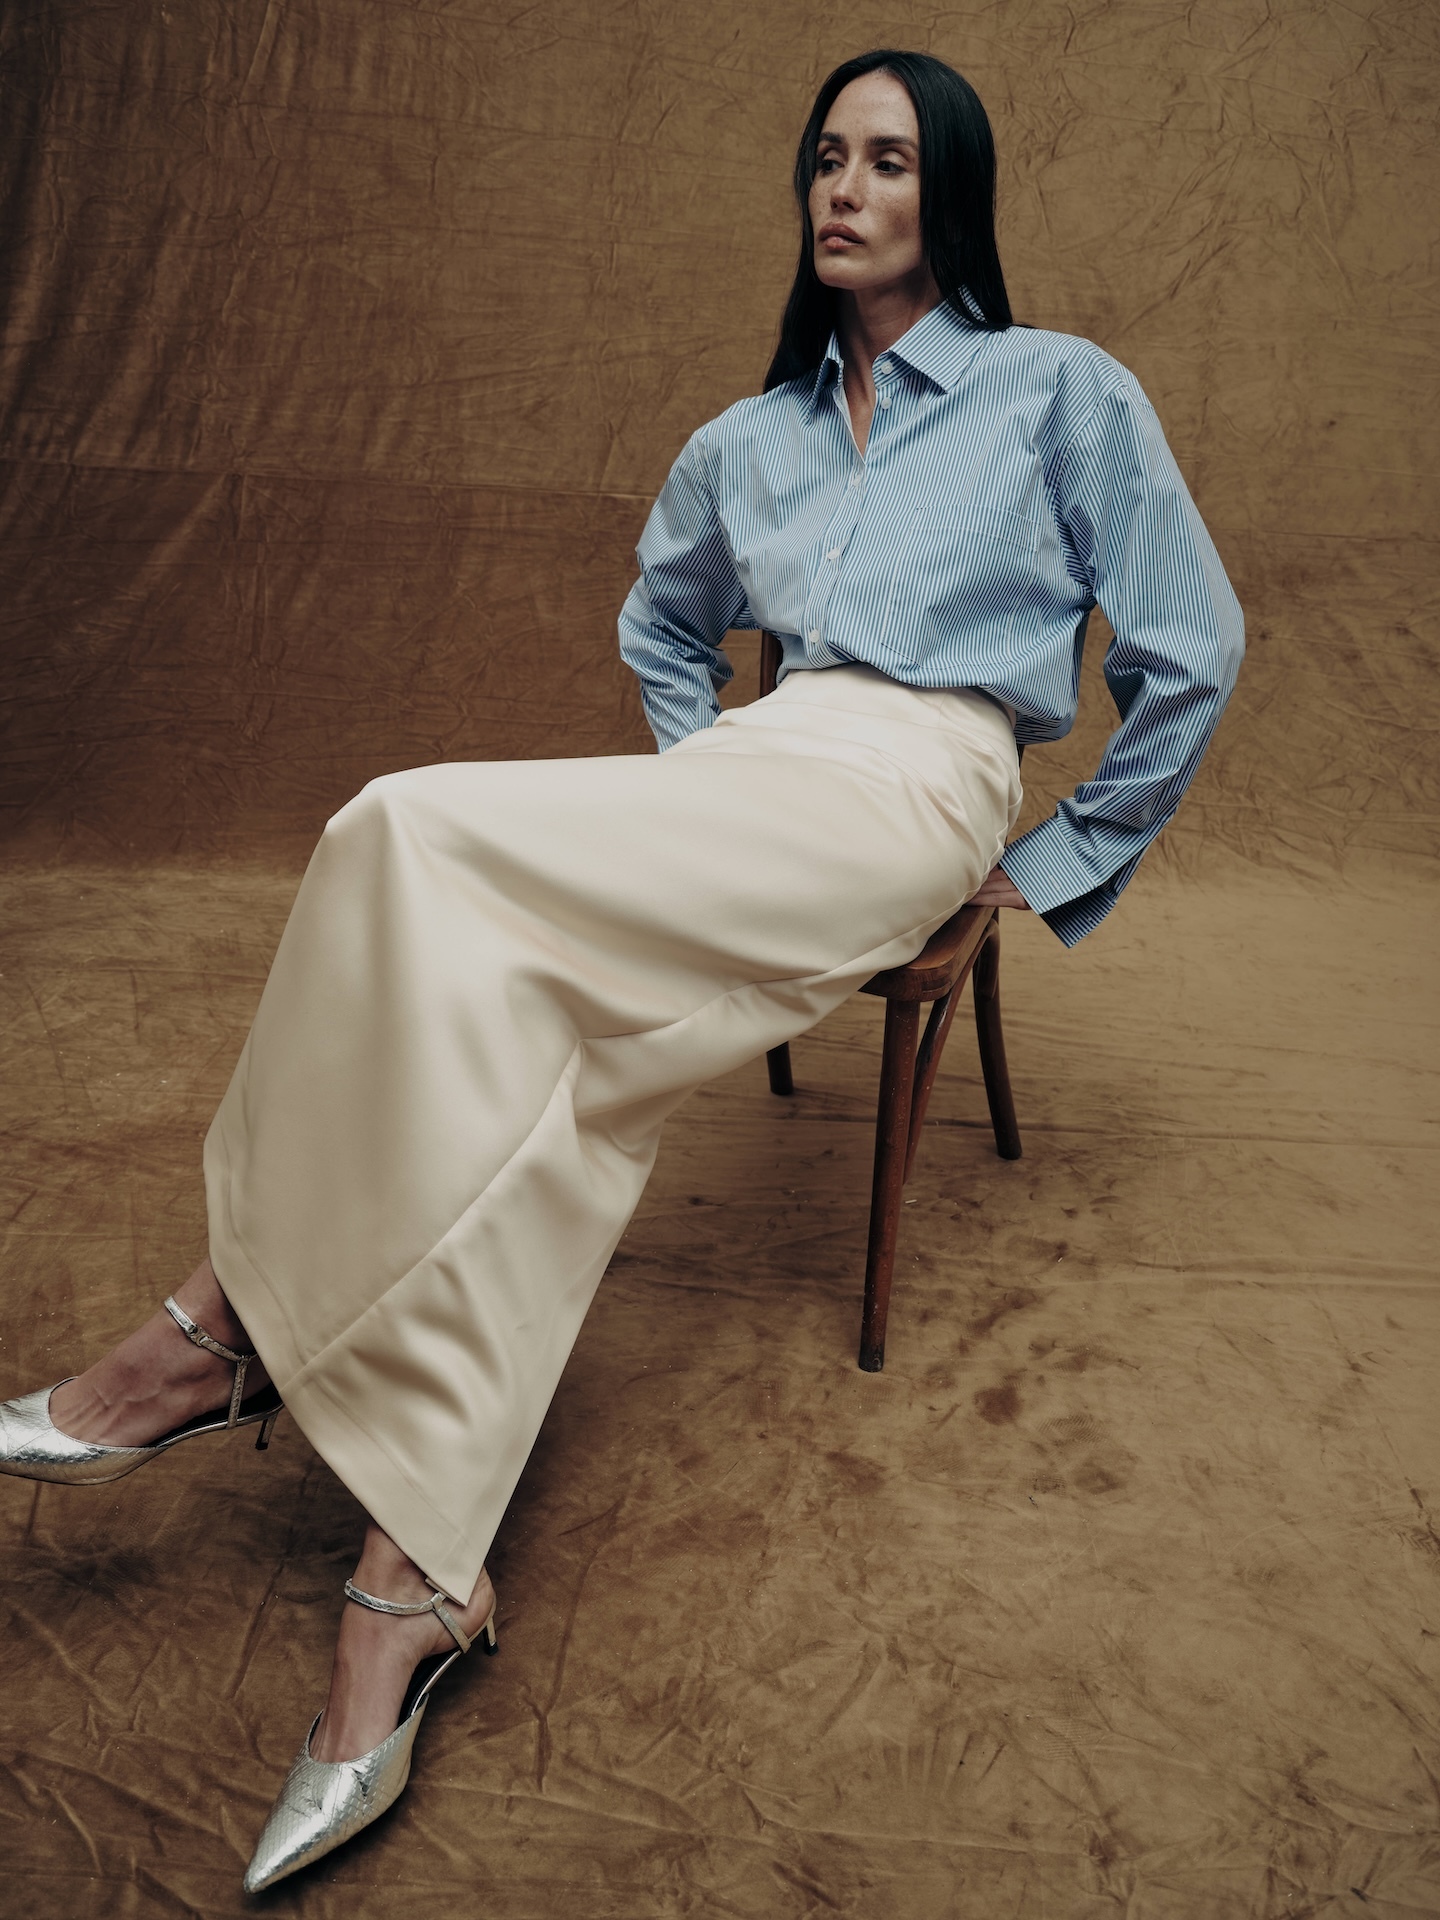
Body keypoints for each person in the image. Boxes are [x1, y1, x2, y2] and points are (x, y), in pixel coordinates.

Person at [0, 48, 1242, 1892]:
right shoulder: (748, 438)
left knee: (403, 831)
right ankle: (412, 1584)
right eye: (826, 157)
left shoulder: (1061, 389)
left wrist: (1048, 862)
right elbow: (667, 626)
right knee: (509, 1000)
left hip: (923, 778)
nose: (846, 189)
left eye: (890, 161)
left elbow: (1193, 646)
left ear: (952, 194)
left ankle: (218, 1331)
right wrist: (699, 789)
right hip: (766, 769)